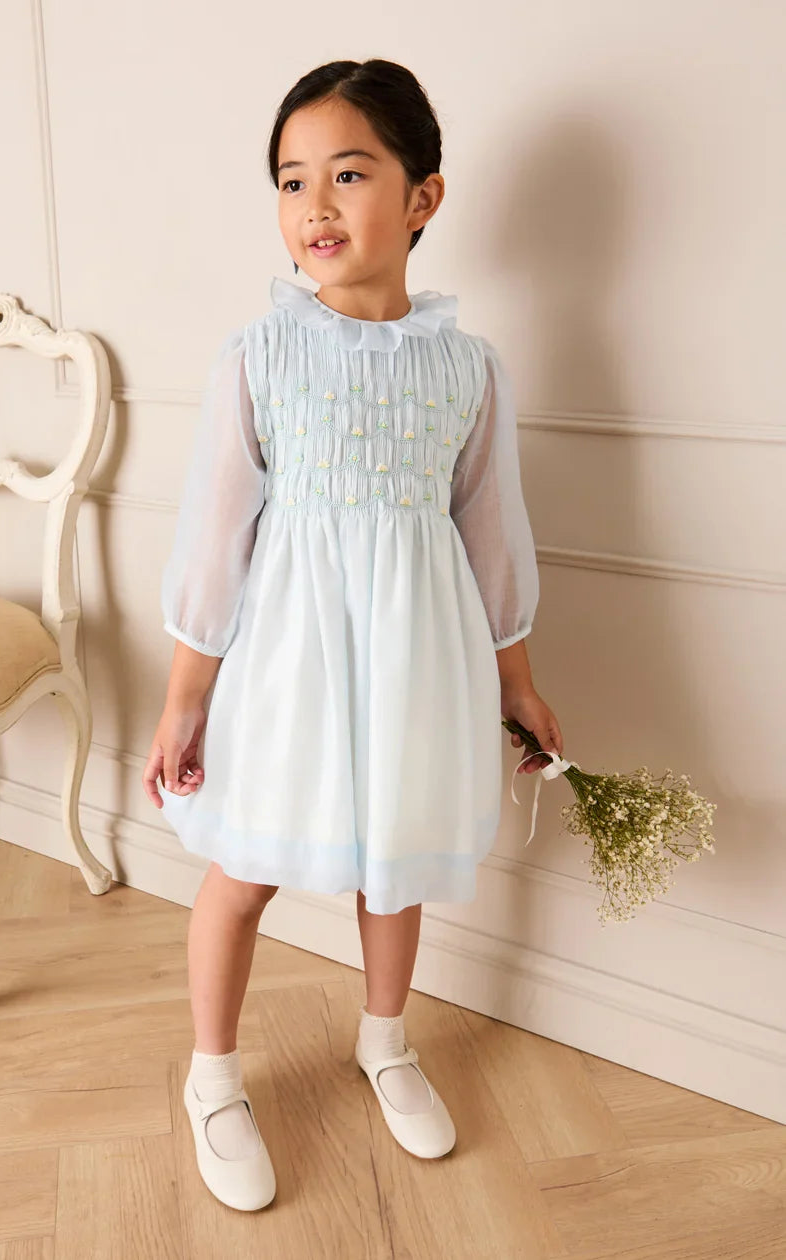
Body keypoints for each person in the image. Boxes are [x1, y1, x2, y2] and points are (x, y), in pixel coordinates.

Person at [142, 58, 564, 1212]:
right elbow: (215, 542)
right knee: (244, 870)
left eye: (347, 174)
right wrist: (185, 699)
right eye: (291, 181)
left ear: (423, 196)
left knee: (396, 860)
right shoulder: (261, 357)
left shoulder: (469, 368)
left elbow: (491, 534)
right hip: (287, 665)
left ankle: (386, 1040)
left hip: (419, 658)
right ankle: (213, 1075)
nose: (314, 206)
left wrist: (516, 681)